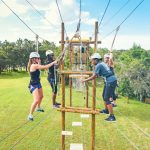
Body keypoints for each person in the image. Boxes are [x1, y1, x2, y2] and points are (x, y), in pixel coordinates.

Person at [82, 53, 117, 121]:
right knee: (104, 95)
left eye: (92, 60)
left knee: (106, 98)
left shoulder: (99, 65)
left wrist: (85, 80)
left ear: (96, 60)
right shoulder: (102, 64)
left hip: (110, 81)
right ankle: (106, 110)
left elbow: (94, 76)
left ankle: (112, 116)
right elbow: (97, 75)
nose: (92, 62)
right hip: (110, 80)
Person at [27, 52, 57, 121]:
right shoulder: (33, 65)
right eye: (38, 58)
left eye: (39, 58)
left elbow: (40, 68)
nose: (39, 59)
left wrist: (39, 63)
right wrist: (53, 62)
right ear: (33, 59)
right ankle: (30, 115)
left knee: (41, 96)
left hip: (38, 83)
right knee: (36, 100)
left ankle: (38, 108)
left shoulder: (36, 65)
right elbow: (45, 67)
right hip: (33, 85)